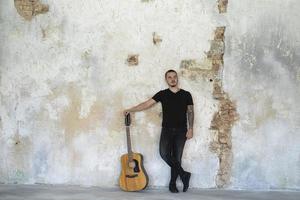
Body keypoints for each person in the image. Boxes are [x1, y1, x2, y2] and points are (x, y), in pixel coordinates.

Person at [123, 69, 194, 193]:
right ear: (166, 80)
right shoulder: (162, 94)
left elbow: (191, 112)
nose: (172, 79)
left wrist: (191, 128)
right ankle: (184, 174)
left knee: (177, 158)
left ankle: (172, 184)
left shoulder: (186, 94)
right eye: (169, 77)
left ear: (177, 78)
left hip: (181, 130)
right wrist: (131, 109)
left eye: (174, 77)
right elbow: (146, 104)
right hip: (166, 129)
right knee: (164, 153)